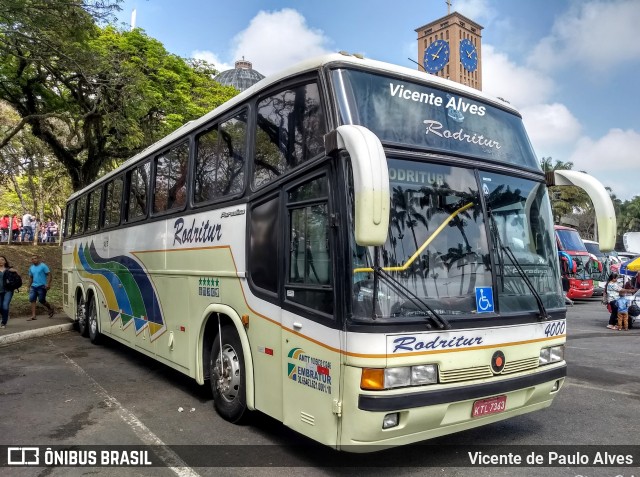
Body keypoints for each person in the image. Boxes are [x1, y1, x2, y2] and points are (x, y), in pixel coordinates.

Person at [27, 255, 54, 320]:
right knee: (32, 300)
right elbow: (31, 277)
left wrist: (48, 284)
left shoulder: (43, 266)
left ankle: (50, 308)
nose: (34, 260)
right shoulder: (31, 268)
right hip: (33, 286)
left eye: (35, 258)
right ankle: (33, 315)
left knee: (41, 300)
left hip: (42, 286)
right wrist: (28, 286)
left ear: (38, 259)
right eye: (32, 259)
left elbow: (49, 275)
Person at [0, 256, 18, 329]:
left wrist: (16, 272)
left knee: (5, 305)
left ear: (5, 261)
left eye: (2, 260)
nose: (0, 261)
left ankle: (3, 322)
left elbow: (17, 279)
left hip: (8, 290)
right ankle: (6, 315)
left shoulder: (9, 270)